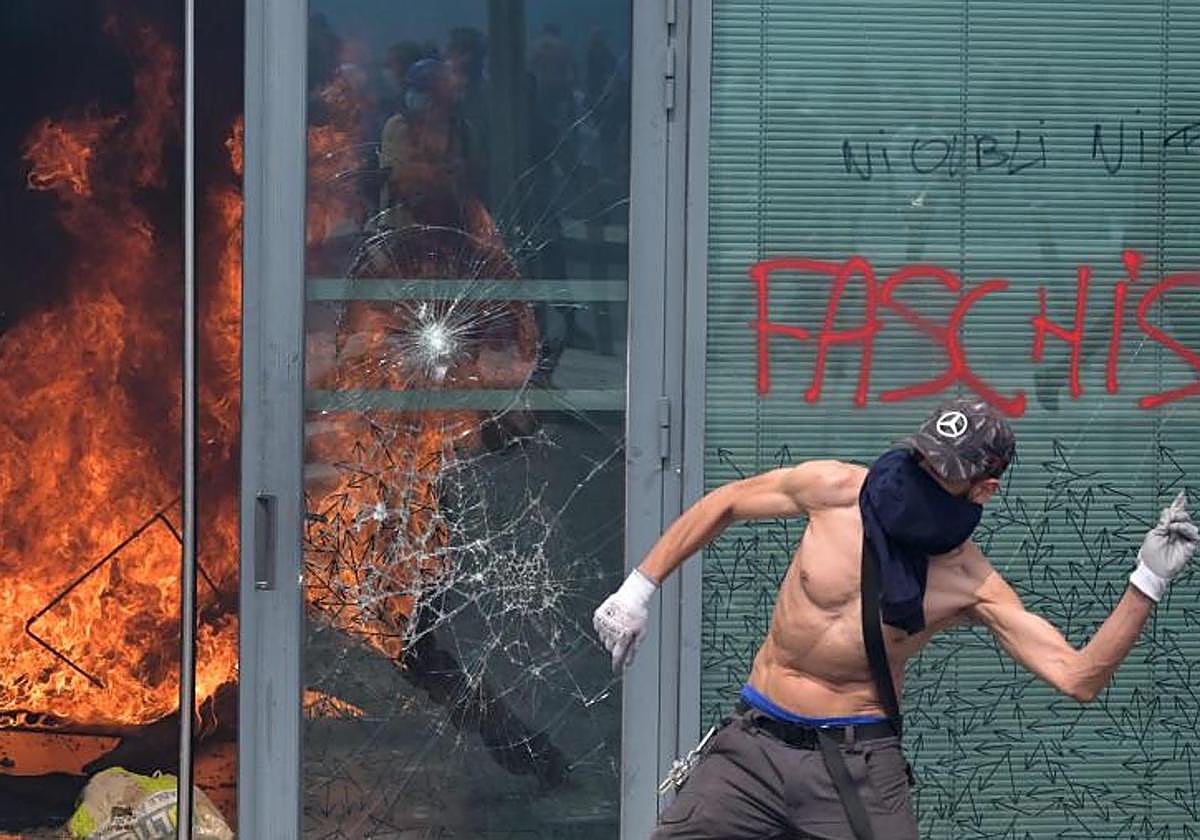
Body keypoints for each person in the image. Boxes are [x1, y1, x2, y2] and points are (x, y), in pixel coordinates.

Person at [593, 398, 1198, 839]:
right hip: (753, 746)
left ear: (982, 490)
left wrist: (1146, 581)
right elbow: (725, 501)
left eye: (947, 474)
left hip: (854, 767)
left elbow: (1077, 676)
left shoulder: (970, 581)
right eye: (924, 459)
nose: (925, 477)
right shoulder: (834, 489)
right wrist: (637, 590)